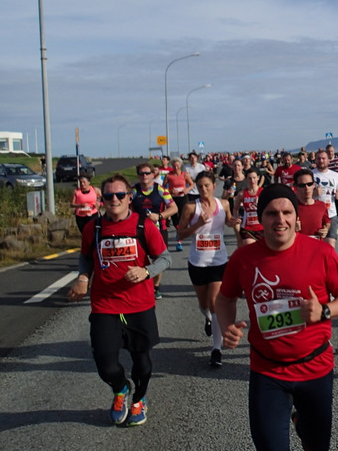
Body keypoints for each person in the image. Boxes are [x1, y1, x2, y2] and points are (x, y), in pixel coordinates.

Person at [215, 184, 338, 451]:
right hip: (267, 370)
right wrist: (227, 327)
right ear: (261, 218)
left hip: (315, 368)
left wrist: (324, 310)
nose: (280, 220)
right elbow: (224, 299)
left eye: (287, 212)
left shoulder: (321, 252)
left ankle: (301, 421)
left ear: (297, 217)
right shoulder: (244, 258)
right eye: (271, 213)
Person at [67, 174, 172, 427]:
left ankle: (139, 399)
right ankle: (120, 388)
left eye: (120, 195)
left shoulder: (143, 226)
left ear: (129, 197)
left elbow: (165, 258)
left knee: (143, 364)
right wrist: (83, 277)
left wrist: (146, 271)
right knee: (105, 363)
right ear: (101, 200)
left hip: (139, 305)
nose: (114, 199)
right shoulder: (94, 228)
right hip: (105, 304)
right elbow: (85, 258)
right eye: (109, 196)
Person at [176, 170, 239, 367]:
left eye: (207, 185)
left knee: (215, 301)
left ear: (213, 185)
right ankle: (208, 319)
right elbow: (180, 233)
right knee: (204, 305)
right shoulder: (190, 207)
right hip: (197, 262)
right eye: (200, 186)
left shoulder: (224, 204)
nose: (203, 189)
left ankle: (216, 349)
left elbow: (226, 221)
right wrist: (198, 225)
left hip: (219, 260)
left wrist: (232, 222)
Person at [131, 162, 178, 300]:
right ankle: (142, 284)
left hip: (158, 230)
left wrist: (160, 216)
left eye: (147, 173)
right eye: (141, 173)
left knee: (159, 260)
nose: (144, 176)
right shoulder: (133, 191)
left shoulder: (161, 190)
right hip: (138, 231)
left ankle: (155, 286)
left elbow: (174, 208)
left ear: (153, 174)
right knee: (140, 259)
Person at [163, 157, 194, 252]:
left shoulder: (185, 175)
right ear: (172, 166)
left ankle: (179, 241)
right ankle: (178, 231)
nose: (176, 167)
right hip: (172, 199)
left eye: (177, 165)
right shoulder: (169, 176)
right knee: (174, 219)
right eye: (174, 166)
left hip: (183, 198)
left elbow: (192, 184)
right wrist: (169, 191)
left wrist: (186, 190)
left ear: (180, 165)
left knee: (182, 217)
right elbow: (163, 188)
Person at [312, 150, 338, 247]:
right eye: (318, 158)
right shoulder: (310, 174)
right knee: (316, 246)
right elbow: (302, 194)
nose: (321, 161)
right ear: (315, 160)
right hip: (315, 215)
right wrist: (314, 193)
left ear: (328, 160)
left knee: (330, 246)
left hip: (331, 214)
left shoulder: (334, 175)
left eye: (323, 158)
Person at [294, 168, 330, 239]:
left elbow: (327, 222)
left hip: (317, 246)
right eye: (302, 185)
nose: (306, 188)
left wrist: (325, 230)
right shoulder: (291, 206)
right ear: (296, 187)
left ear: (313, 185)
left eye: (309, 184)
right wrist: (292, 229)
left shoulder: (321, 205)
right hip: (298, 246)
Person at [235, 167, 263, 246]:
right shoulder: (241, 194)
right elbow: (235, 208)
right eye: (250, 178)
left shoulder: (263, 192)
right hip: (247, 228)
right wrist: (237, 217)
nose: (252, 181)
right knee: (249, 246)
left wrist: (260, 204)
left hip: (262, 228)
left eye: (254, 178)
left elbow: (270, 208)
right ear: (246, 179)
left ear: (258, 178)